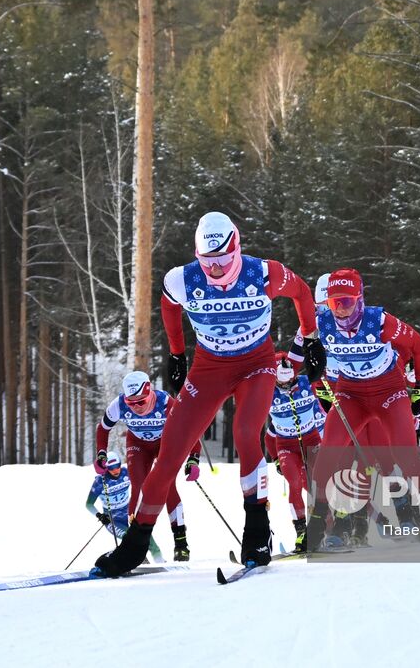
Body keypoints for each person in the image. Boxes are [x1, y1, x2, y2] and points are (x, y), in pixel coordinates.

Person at [95, 212, 318, 576]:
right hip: (209, 368)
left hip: (256, 365)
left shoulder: (264, 273)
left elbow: (302, 292)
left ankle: (257, 530)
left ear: (237, 250)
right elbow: (168, 306)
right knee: (171, 450)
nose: (215, 271)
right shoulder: (182, 280)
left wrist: (311, 339)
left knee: (247, 433)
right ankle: (135, 544)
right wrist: (178, 352)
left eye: (224, 261)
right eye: (208, 263)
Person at [299, 268, 420, 550]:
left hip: (388, 392)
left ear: (359, 300)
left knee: (405, 460)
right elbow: (305, 357)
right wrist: (315, 375)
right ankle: (318, 525)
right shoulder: (321, 323)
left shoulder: (379, 321)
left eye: (346, 302)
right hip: (351, 394)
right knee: (329, 453)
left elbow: (417, 344)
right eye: (335, 303)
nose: (341, 310)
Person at [96, 370, 195, 561]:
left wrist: (194, 457)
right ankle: (135, 545)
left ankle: (181, 543)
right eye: (131, 403)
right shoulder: (118, 404)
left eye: (140, 401)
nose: (136, 407)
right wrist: (101, 453)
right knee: (138, 488)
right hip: (138, 444)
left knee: (167, 487)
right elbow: (103, 428)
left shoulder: (165, 402)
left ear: (149, 392)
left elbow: (189, 427)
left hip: (164, 443)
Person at [265, 354, 326, 551]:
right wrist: (275, 459)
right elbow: (268, 437)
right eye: (282, 381)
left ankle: (330, 529)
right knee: (295, 483)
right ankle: (302, 533)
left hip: (311, 440)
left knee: (319, 484)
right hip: (285, 445)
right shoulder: (267, 391)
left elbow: (328, 383)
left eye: (290, 379)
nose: (287, 384)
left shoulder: (306, 382)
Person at [85, 451, 163, 559]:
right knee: (131, 538)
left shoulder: (126, 473)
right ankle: (137, 561)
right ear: (107, 468)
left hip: (129, 513)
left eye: (117, 467)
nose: (115, 470)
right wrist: (99, 515)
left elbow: (142, 480)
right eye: (111, 468)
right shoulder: (100, 481)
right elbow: (88, 504)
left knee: (147, 537)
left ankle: (159, 560)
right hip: (113, 519)